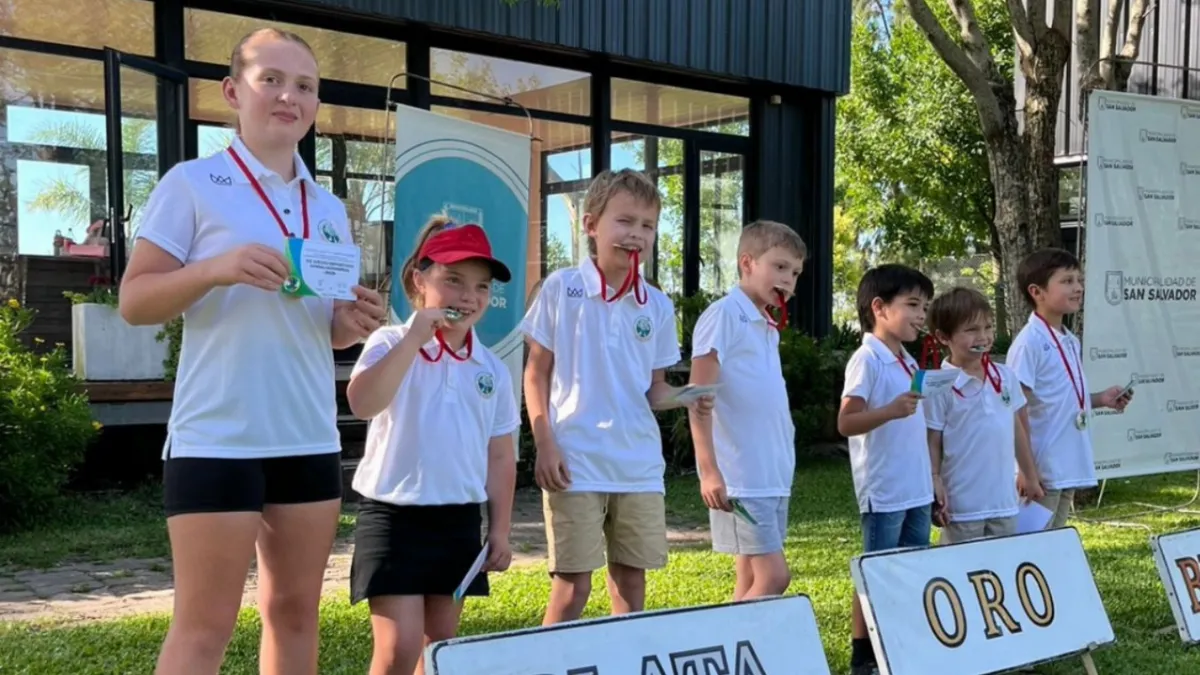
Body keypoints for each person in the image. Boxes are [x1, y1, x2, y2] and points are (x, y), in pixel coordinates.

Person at [118, 27, 385, 675]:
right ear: (233, 92)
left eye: (305, 85)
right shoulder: (192, 184)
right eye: (272, 79)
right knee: (203, 628)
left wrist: (350, 322)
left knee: (295, 612)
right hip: (218, 437)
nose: (288, 96)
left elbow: (319, 328)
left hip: (306, 436)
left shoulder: (327, 207)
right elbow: (135, 300)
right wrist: (216, 268)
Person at [520, 168, 714, 626]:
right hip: (576, 462)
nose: (637, 235)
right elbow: (535, 374)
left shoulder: (657, 305)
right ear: (591, 225)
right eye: (625, 221)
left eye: (648, 226)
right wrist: (545, 444)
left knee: (631, 584)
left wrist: (689, 396)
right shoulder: (560, 289)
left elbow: (654, 390)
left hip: (638, 467)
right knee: (573, 588)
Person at [345, 218, 517, 675]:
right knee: (398, 648)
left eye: (481, 287)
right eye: (453, 280)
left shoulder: (493, 369)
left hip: (457, 521)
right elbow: (363, 403)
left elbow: (500, 454)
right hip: (392, 515)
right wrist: (414, 338)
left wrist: (498, 530)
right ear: (420, 281)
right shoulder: (388, 341)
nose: (468, 296)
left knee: (439, 648)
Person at [688, 220, 806, 600]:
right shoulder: (725, 315)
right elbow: (698, 396)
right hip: (742, 478)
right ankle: (731, 647)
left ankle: (735, 651)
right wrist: (709, 470)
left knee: (749, 581)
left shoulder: (766, 325)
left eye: (796, 272)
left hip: (771, 475)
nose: (789, 280)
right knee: (774, 578)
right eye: (780, 267)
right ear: (747, 262)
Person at [836, 264, 934, 675]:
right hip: (886, 490)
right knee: (874, 572)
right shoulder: (867, 359)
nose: (920, 315)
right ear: (879, 308)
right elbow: (846, 422)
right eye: (912, 304)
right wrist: (891, 411)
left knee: (911, 570)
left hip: (917, 488)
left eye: (925, 307)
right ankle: (864, 656)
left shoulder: (908, 361)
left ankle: (898, 644)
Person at [1005, 248, 1133, 530]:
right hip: (1041, 467)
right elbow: (1015, 408)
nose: (1077, 288)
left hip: (1067, 462)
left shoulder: (1069, 340)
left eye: (1078, 280)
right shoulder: (1030, 343)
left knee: (1054, 540)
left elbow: (1059, 398)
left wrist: (1100, 400)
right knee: (1032, 544)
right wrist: (1024, 470)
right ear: (1037, 292)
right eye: (1066, 281)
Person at [924, 287, 1043, 545]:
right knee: (960, 571)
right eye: (971, 330)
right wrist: (934, 482)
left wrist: (1029, 475)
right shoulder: (938, 384)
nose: (984, 337)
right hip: (962, 507)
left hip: (1004, 503)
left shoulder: (1005, 375)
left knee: (1003, 569)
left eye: (988, 327)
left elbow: (1017, 430)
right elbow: (932, 440)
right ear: (943, 337)